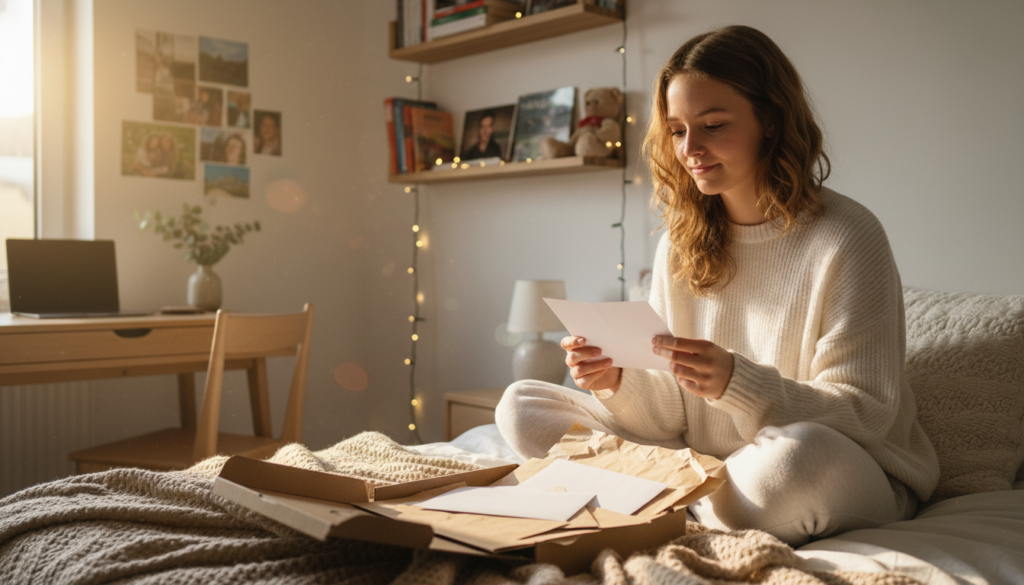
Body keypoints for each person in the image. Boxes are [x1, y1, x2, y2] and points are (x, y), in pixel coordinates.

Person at [495, 25, 940, 547]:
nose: (691, 149)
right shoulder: (679, 241)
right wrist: (617, 381)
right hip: (709, 462)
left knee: (797, 464)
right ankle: (690, 500)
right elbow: (667, 416)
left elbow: (865, 412)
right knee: (522, 406)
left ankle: (655, 498)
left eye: (713, 125)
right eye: (678, 130)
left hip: (841, 463)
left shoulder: (847, 235)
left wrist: (739, 382)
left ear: (770, 120)